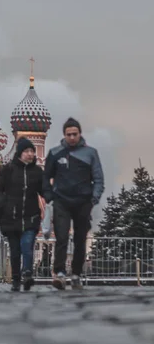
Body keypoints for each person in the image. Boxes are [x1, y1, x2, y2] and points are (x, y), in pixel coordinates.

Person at [43, 117, 105, 290]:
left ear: (80, 134)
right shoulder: (55, 153)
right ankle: (60, 273)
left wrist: (94, 198)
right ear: (64, 134)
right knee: (61, 237)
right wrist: (49, 196)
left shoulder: (90, 153)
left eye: (74, 134)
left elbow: (98, 178)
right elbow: (46, 177)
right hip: (61, 201)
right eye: (68, 134)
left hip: (83, 202)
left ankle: (76, 274)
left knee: (80, 239)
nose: (71, 137)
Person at [0, 138, 43, 292]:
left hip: (31, 216)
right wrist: (3, 202)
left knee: (27, 246)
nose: (30, 154)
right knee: (15, 251)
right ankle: (16, 279)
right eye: (27, 151)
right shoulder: (8, 170)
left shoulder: (37, 172)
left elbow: (44, 190)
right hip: (11, 217)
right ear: (20, 153)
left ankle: (27, 273)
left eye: (32, 151)